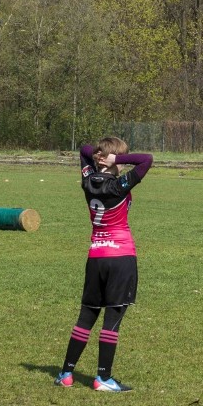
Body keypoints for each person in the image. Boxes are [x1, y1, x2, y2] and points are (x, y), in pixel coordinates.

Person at [55, 136, 153, 392]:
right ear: (113, 162)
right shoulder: (120, 184)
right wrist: (117, 158)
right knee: (112, 317)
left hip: (95, 257)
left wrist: (98, 155)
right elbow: (147, 160)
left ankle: (66, 373)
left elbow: (83, 150)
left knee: (86, 315)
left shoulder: (87, 180)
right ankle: (103, 378)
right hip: (120, 258)